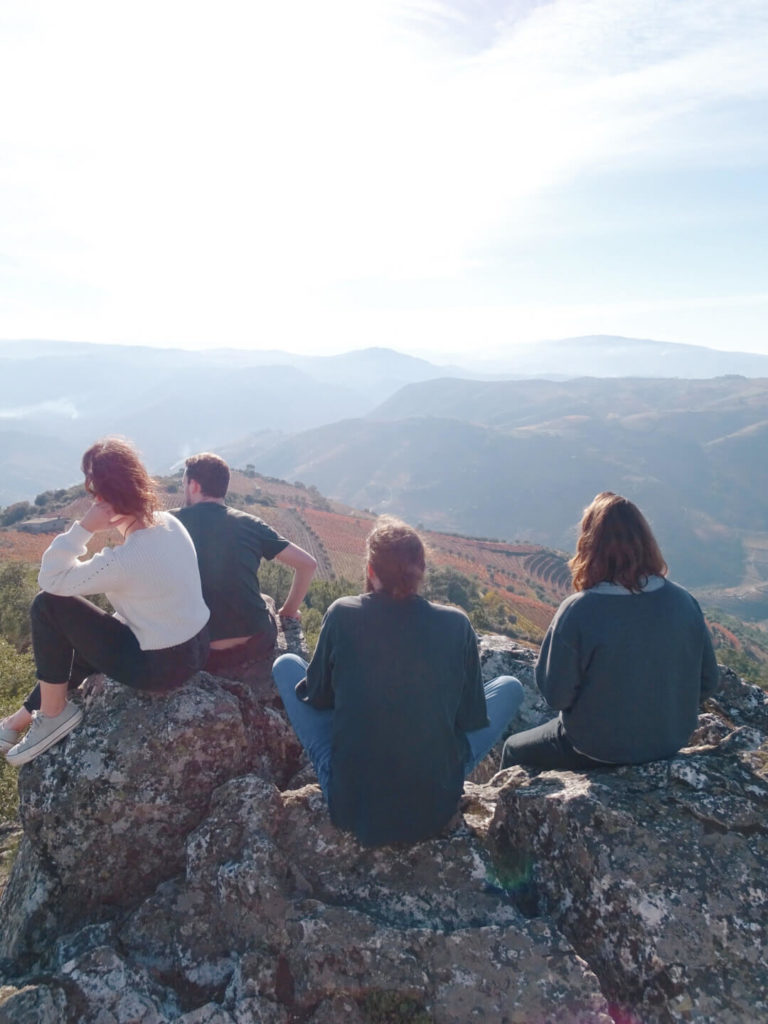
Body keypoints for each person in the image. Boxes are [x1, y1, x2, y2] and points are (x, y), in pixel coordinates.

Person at [272, 516, 524, 847]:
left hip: (351, 804)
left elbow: (317, 697)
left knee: (286, 665)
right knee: (510, 688)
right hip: (434, 806)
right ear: (421, 572)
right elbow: (469, 718)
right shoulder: (457, 624)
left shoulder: (342, 613)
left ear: (371, 571)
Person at [1, 437, 210, 767]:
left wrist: (84, 528)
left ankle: (54, 714)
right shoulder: (170, 523)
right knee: (86, 634)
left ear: (100, 498)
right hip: (196, 646)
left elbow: (51, 580)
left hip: (162, 669)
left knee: (47, 607)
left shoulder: (126, 559)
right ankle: (18, 720)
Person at [501, 491, 720, 772]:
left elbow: (556, 695)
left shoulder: (579, 610)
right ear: (646, 541)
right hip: (670, 740)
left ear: (590, 545)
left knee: (513, 749)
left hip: (595, 746)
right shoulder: (684, 601)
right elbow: (708, 680)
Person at [173, 452, 317, 674]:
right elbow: (308, 564)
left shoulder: (167, 524)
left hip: (198, 649)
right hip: (254, 644)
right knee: (266, 599)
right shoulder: (250, 524)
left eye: (184, 483)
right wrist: (288, 612)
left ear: (193, 485)